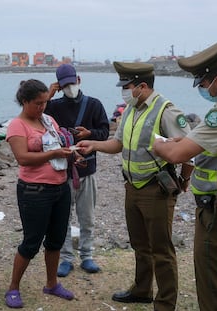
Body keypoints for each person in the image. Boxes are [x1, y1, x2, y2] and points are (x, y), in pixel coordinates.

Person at [77, 62, 193, 311]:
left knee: (162, 250)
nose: (124, 91)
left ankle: (165, 303)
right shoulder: (131, 109)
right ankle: (142, 291)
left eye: (127, 86)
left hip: (156, 190)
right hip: (132, 187)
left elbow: (189, 152)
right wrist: (94, 144)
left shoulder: (166, 110)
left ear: (142, 86)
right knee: (140, 244)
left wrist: (184, 180)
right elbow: (117, 144)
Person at [153, 42, 217, 311]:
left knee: (210, 283)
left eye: (203, 81)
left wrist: (159, 144)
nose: (203, 88)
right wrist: (189, 141)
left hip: (213, 214)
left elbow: (177, 155)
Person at [4, 79, 74, 308]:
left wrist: (71, 154)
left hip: (60, 188)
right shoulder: (17, 125)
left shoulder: (48, 120)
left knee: (56, 240)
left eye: (45, 102)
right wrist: (54, 154)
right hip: (34, 191)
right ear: (25, 101)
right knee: (31, 242)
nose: (43, 107)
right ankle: (13, 287)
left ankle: (52, 283)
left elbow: (58, 147)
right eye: (38, 103)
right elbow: (23, 158)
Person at [45, 64, 109, 276]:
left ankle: (87, 256)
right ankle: (65, 258)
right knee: (63, 217)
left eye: (72, 83)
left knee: (87, 216)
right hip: (63, 172)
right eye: (65, 85)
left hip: (87, 170)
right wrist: (48, 95)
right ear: (59, 86)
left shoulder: (94, 104)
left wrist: (89, 133)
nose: (69, 88)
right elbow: (36, 119)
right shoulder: (52, 107)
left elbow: (104, 132)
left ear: (79, 80)